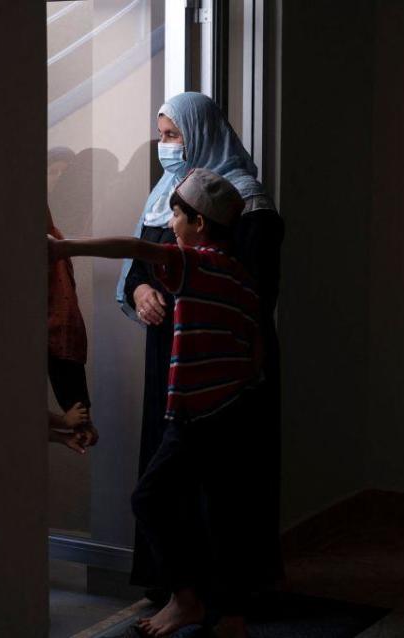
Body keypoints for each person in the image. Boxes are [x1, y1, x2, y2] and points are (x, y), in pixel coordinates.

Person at [51, 168, 263, 638]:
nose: (169, 222)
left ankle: (186, 600)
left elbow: (134, 250)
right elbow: (254, 352)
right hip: (231, 416)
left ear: (200, 224)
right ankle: (230, 617)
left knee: (148, 499)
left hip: (194, 421)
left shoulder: (195, 263)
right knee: (223, 516)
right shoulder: (240, 278)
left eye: (176, 213)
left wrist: (66, 248)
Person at [116, 92, 285, 595]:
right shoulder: (165, 197)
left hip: (223, 363)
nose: (165, 148)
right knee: (166, 478)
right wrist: (142, 289)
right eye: (162, 136)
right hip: (168, 356)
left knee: (226, 482)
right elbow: (142, 267)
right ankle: (174, 588)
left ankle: (228, 597)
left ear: (203, 133)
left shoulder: (244, 201)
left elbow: (254, 292)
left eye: (173, 136)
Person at [46, 204, 97, 453]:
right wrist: (68, 419)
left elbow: (65, 328)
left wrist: (77, 416)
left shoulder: (53, 245)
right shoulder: (51, 245)